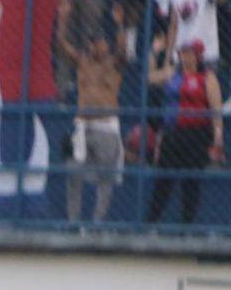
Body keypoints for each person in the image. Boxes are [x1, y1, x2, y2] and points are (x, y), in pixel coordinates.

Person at [57, 17, 130, 221]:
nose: (100, 45)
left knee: (105, 180)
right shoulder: (83, 61)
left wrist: (119, 25)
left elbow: (123, 52)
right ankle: (74, 222)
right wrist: (64, 19)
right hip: (83, 126)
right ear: (90, 44)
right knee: (73, 174)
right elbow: (61, 46)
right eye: (96, 42)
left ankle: (97, 224)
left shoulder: (114, 63)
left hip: (106, 127)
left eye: (102, 42)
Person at [146, 38, 224, 223]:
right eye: (182, 53)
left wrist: (218, 136)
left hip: (196, 135)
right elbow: (151, 78)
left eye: (189, 53)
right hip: (172, 134)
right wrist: (154, 52)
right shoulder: (174, 73)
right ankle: (150, 224)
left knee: (191, 183)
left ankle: (186, 227)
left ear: (198, 56)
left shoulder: (208, 77)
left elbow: (216, 108)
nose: (185, 57)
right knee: (163, 181)